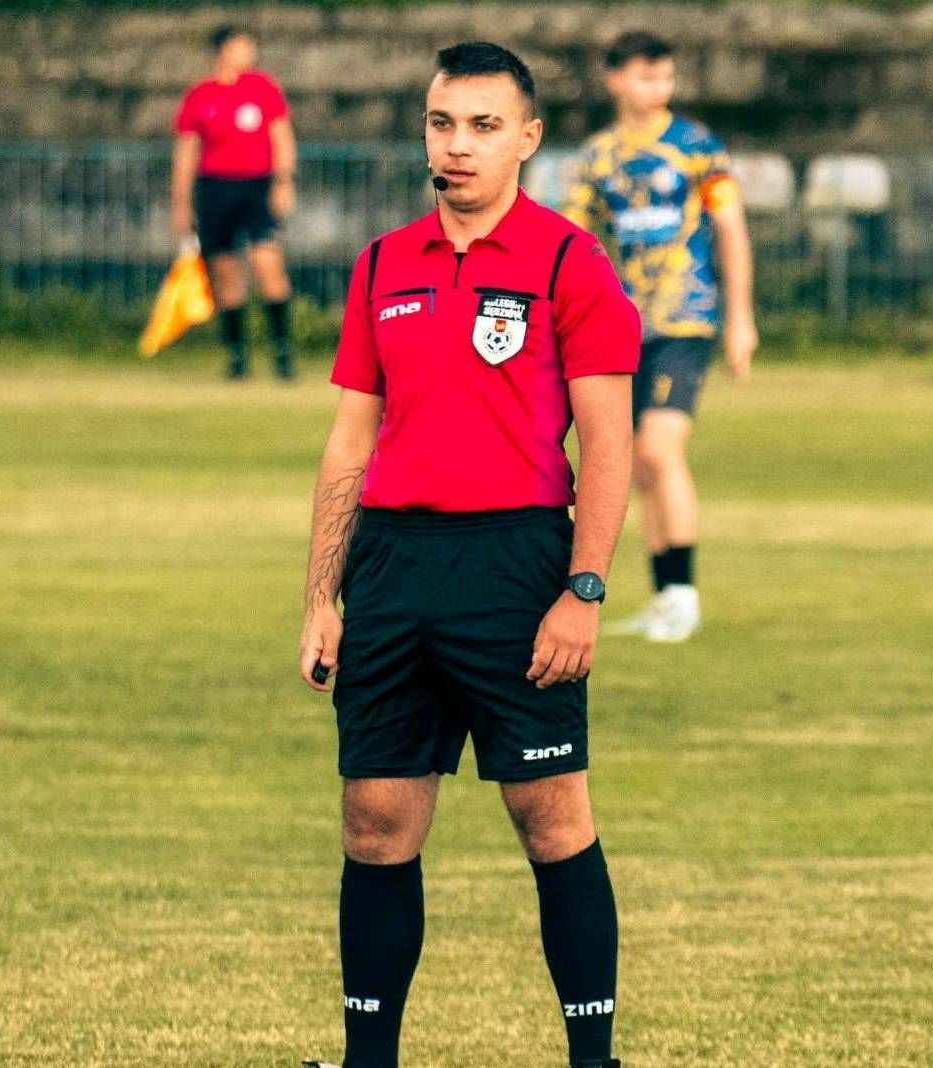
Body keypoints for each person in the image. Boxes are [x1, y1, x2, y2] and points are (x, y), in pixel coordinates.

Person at [296, 41, 639, 1068]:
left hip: (514, 563)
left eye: (484, 126)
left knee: (550, 816)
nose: (458, 146)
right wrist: (321, 597)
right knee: (375, 822)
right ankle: (368, 1063)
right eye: (443, 123)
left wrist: (581, 590)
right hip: (394, 567)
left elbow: (608, 445)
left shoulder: (568, 265)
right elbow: (349, 444)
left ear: (527, 139)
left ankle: (593, 1062)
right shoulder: (380, 264)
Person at [563, 30, 759, 642]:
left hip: (685, 319)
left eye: (666, 77)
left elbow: (730, 230)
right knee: (633, 464)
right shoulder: (598, 158)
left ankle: (683, 593)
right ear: (614, 79)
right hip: (621, 326)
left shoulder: (699, 148)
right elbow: (573, 241)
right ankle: (663, 592)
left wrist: (741, 318)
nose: (658, 88)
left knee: (658, 450)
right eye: (646, 76)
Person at [170, 24, 297, 378]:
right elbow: (185, 152)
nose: (249, 53)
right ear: (222, 50)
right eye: (242, 46)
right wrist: (180, 203)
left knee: (266, 262)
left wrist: (284, 181)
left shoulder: (263, 88)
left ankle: (283, 352)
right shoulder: (200, 95)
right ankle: (237, 356)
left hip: (257, 188)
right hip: (215, 189)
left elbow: (282, 137)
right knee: (225, 273)